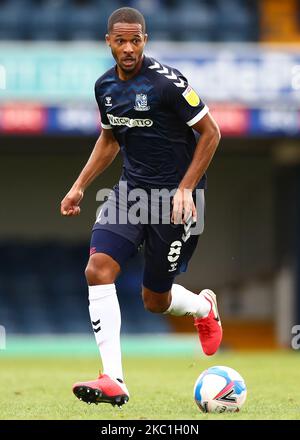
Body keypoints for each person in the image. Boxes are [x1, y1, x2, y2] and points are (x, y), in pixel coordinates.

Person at [60, 7, 222, 407]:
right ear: (109, 42)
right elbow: (111, 138)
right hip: (130, 193)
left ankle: (203, 307)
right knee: (98, 269)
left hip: (175, 202)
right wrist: (80, 185)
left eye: (136, 40)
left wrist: (186, 189)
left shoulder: (168, 84)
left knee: (156, 301)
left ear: (145, 41)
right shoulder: (104, 87)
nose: (128, 48)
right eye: (121, 40)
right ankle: (113, 378)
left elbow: (211, 132)